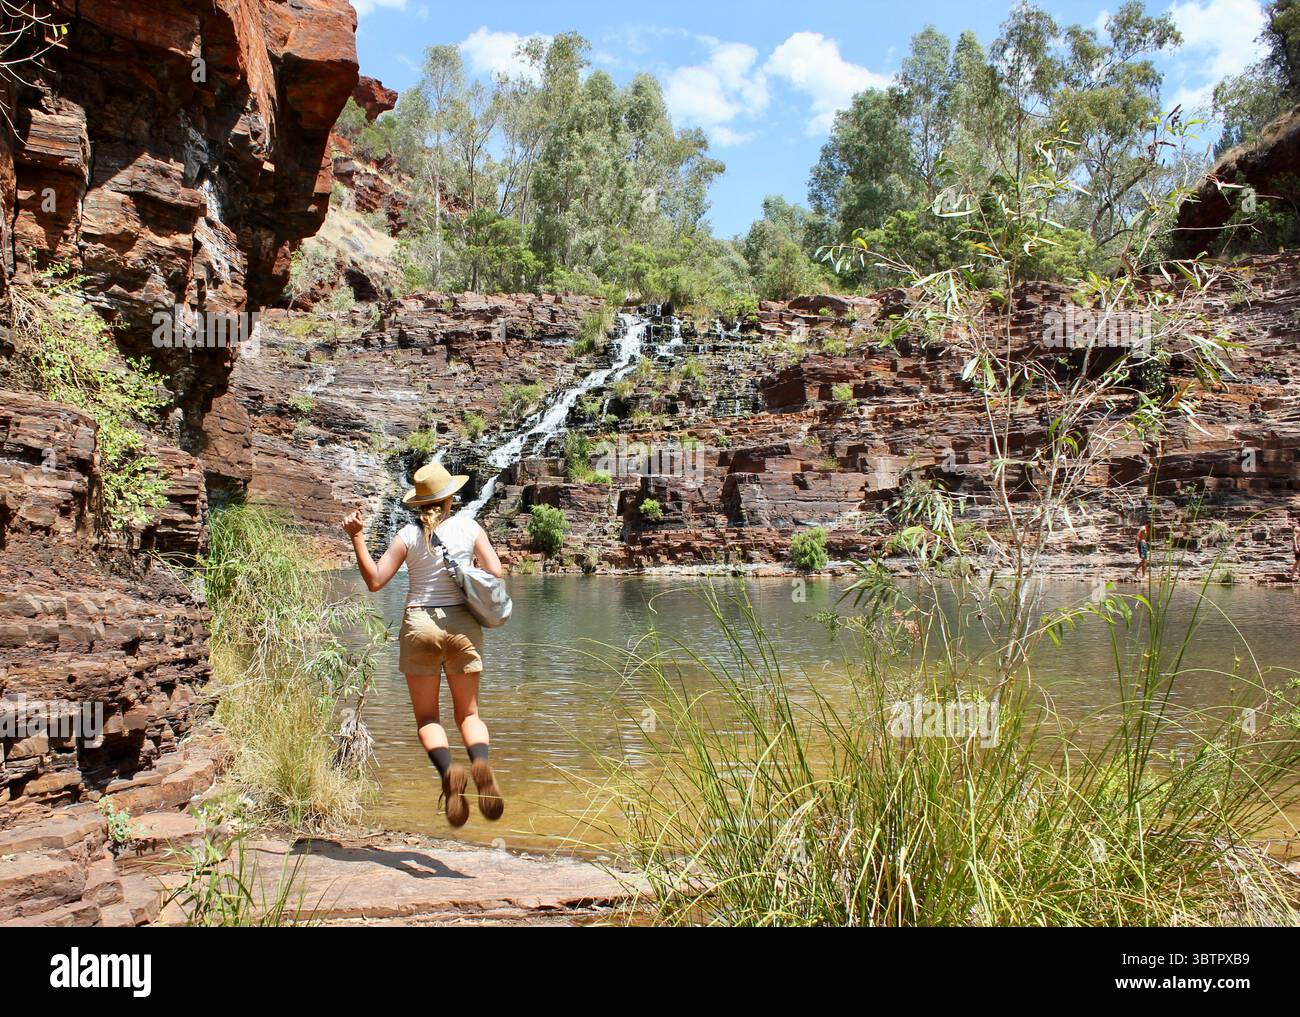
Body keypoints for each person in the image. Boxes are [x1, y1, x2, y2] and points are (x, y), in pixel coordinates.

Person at [342, 462, 506, 828]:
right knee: (469, 715)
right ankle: (480, 763)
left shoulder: (406, 535)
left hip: (419, 624)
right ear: (449, 498)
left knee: (428, 718)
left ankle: (449, 773)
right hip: (463, 625)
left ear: (418, 503)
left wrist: (356, 537)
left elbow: (375, 582)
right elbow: (495, 573)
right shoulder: (470, 526)